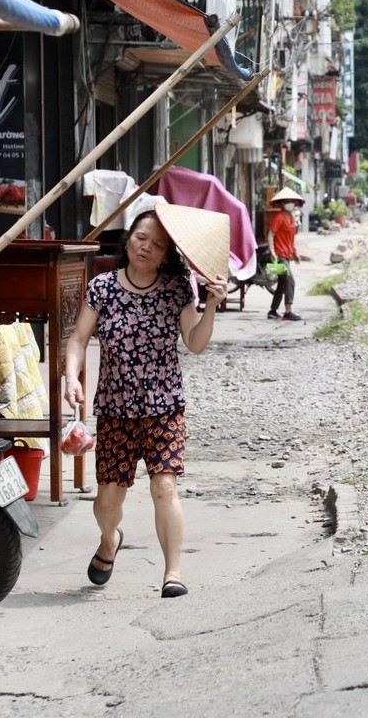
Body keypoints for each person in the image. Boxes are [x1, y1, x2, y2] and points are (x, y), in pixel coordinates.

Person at [64, 202, 228, 597]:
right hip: (116, 411)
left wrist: (211, 307)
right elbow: (78, 339)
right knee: (107, 501)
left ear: (166, 254)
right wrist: (71, 377)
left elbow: (195, 343)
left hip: (165, 407)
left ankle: (173, 574)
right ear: (128, 239)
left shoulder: (176, 289)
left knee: (164, 488)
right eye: (140, 238)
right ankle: (109, 541)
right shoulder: (102, 287)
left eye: (156, 244)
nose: (145, 247)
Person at [267, 185, 305, 321]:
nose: (291, 203)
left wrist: (296, 252)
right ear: (282, 203)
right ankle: (288, 311)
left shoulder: (292, 218)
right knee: (289, 280)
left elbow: (291, 238)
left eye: (292, 200)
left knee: (282, 283)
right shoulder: (279, 217)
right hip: (279, 256)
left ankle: (272, 311)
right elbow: (271, 234)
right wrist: (272, 250)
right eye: (287, 200)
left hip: (287, 255)